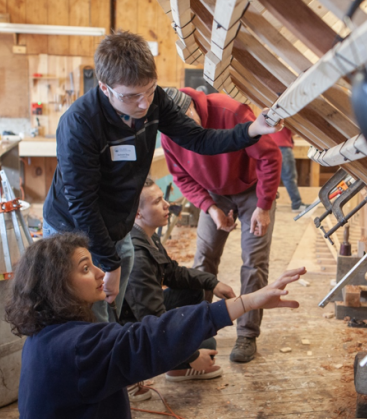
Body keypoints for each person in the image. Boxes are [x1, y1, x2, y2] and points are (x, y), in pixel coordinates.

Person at [41, 31, 282, 323]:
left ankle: (116, 358)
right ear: (104, 88)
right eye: (131, 96)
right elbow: (82, 202)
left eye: (150, 90)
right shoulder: (79, 123)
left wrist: (251, 131)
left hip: (116, 225)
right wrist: (109, 264)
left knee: (111, 310)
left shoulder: (154, 101)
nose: (144, 104)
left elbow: (199, 139)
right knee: (86, 314)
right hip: (74, 228)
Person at [4, 233, 305, 419]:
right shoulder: (80, 346)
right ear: (58, 286)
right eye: (85, 268)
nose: (99, 273)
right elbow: (149, 339)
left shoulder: (42, 335)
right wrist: (247, 302)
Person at [161, 87, 281, 363]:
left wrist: (263, 206)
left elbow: (269, 157)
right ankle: (199, 328)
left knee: (254, 260)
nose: (183, 132)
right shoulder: (168, 135)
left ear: (191, 108)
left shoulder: (230, 111)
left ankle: (247, 333)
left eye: (186, 123)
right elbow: (180, 176)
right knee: (204, 259)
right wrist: (209, 207)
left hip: (252, 188)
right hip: (214, 192)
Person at [122, 177, 236, 383]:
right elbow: (151, 320)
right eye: (157, 202)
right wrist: (190, 356)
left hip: (144, 314)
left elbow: (175, 274)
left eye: (162, 199)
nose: (167, 204)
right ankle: (177, 366)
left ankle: (177, 358)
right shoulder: (137, 256)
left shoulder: (147, 235)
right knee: (206, 344)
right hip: (131, 329)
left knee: (194, 289)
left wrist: (212, 282)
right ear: (138, 213)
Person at [271, 127, 307, 212]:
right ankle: (297, 204)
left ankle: (268, 205)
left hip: (271, 145)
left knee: (270, 177)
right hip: (283, 147)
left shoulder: (268, 114)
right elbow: (294, 131)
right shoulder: (285, 115)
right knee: (289, 178)